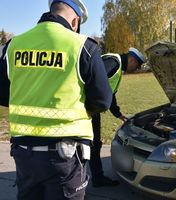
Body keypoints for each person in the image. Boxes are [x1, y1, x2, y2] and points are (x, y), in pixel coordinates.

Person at [0, 0, 112, 199]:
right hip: (65, 157)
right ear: (75, 22)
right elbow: (103, 100)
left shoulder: (13, 45)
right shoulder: (83, 47)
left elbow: (2, 95)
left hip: (24, 153)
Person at [89, 48, 146, 187]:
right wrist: (89, 105)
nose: (136, 69)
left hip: (92, 109)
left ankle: (96, 177)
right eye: (137, 66)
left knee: (93, 145)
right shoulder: (113, 62)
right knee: (90, 145)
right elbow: (93, 78)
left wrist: (118, 114)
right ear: (131, 59)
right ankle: (94, 178)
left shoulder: (117, 68)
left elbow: (110, 93)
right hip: (88, 110)